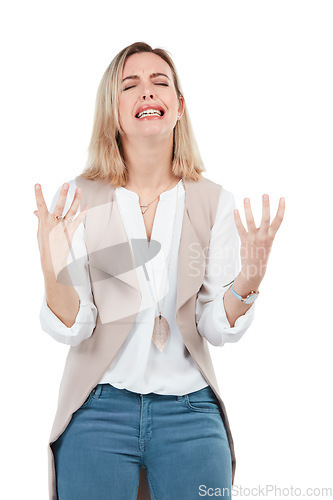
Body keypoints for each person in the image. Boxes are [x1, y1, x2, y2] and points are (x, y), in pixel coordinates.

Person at [34, 42, 285, 500]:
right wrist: (51, 269)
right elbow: (75, 326)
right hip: (98, 410)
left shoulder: (213, 202)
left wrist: (249, 279)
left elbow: (213, 324)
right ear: (113, 110)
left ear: (178, 108)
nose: (146, 92)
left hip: (190, 414)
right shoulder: (78, 199)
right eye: (130, 85)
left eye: (159, 82)